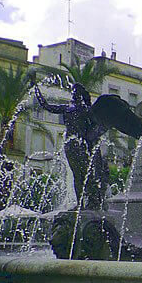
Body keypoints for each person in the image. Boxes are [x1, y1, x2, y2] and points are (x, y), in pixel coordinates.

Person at [33, 81, 108, 210]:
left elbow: (98, 126)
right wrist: (37, 92)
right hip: (71, 145)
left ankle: (91, 200)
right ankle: (80, 204)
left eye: (75, 92)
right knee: (77, 175)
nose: (73, 94)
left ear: (80, 95)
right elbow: (47, 106)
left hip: (82, 145)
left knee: (85, 175)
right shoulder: (67, 108)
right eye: (73, 92)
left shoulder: (86, 110)